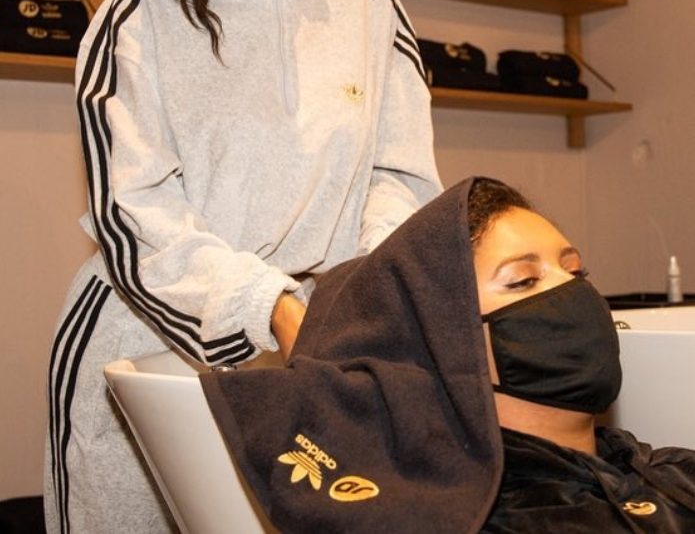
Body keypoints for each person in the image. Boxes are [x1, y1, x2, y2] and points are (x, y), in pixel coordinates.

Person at [43, 0, 442, 531]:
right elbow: (135, 213)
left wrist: (357, 300)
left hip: (322, 350)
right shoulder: (140, 13)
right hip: (146, 354)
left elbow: (399, 175)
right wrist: (272, 307)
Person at [201, 177, 695, 533]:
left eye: (576, 272)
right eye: (524, 280)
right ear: (446, 337)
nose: (572, 292)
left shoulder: (669, 471)